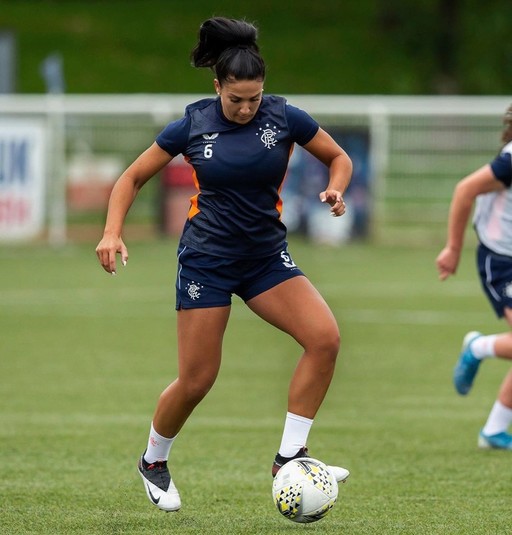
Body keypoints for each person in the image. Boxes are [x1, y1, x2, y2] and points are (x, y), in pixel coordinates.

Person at [96, 16, 353, 512]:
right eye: (236, 99)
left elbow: (338, 157)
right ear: (217, 87)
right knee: (198, 379)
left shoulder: (285, 117)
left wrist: (336, 188)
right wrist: (111, 231)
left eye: (254, 99)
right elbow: (131, 178)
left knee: (324, 338)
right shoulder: (192, 124)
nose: (245, 108)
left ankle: (290, 455)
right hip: (207, 261)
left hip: (265, 258)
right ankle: (153, 460)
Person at [436, 103, 512, 450]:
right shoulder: (509, 161)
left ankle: (494, 431)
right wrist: (453, 248)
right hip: (502, 260)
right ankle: (478, 347)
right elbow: (465, 190)